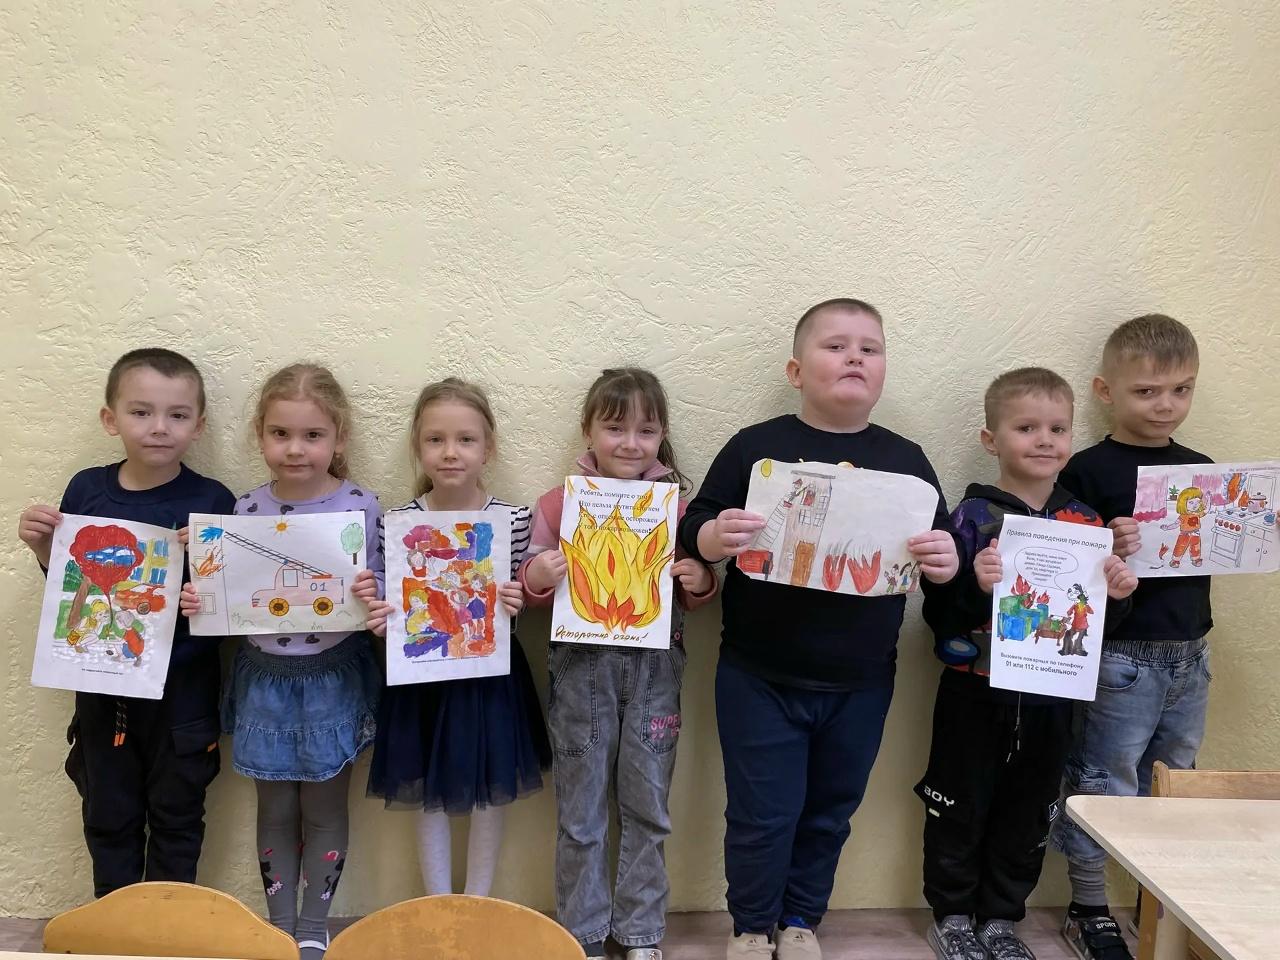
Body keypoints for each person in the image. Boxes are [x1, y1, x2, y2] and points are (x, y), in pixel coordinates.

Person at [678, 299, 960, 959]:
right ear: (796, 371)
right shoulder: (755, 447)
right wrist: (711, 536)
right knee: (761, 815)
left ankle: (801, 920)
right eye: (836, 345)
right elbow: (695, 522)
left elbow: (941, 560)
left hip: (862, 681)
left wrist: (948, 564)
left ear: (884, 369)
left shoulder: (907, 461)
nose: (855, 356)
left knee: (831, 812)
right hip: (758, 675)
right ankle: (752, 927)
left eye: (870, 348)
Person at [917, 367, 1136, 960]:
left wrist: (1118, 595)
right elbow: (936, 618)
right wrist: (972, 587)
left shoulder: (1087, 524)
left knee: (1030, 811)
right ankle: (953, 918)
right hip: (974, 692)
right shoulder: (969, 517)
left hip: (1052, 699)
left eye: (1058, 429)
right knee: (958, 805)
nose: (1044, 440)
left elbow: (1096, 628)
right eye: (1026, 428)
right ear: (991, 440)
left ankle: (1000, 920)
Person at [181, 363, 382, 960]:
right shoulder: (243, 510)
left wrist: (377, 595)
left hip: (333, 676)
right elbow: (224, 596)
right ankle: (279, 925)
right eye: (280, 434)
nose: (296, 449)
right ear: (260, 435)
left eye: (313, 435)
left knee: (324, 808)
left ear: (338, 438)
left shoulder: (362, 506)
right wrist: (199, 596)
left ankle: (314, 927)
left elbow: (385, 590)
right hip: (263, 680)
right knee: (273, 809)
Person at [18, 348, 234, 897]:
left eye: (177, 415)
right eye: (141, 412)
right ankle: (113, 928)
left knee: (178, 817)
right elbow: (73, 591)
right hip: (102, 693)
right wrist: (45, 550)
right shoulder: (86, 491)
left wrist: (205, 589)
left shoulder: (213, 500)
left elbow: (230, 607)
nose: (160, 427)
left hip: (183, 695)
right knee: (107, 816)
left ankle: (165, 927)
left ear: (198, 425)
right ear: (110, 419)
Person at [520, 367, 718, 960]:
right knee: (580, 813)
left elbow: (700, 589)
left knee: (648, 806)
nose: (631, 443)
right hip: (580, 671)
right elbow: (528, 585)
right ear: (588, 431)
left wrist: (699, 579)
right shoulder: (559, 504)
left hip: (656, 672)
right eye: (615, 428)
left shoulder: (676, 510)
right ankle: (581, 933)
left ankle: (640, 933)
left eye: (646, 431)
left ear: (662, 437)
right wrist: (539, 573)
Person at [1051, 315, 1212, 960]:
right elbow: (1062, 566)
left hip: (1190, 653)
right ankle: (1088, 909)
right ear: (1105, 391)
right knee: (1101, 782)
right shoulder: (1086, 471)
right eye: (1146, 391)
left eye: (1181, 389)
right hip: (1119, 656)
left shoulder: (1202, 472)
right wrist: (1105, 544)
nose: (1165, 404)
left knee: (1173, 783)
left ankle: (1158, 907)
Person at [365, 378, 551, 899]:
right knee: (429, 790)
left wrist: (520, 596)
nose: (450, 452)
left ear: (487, 448)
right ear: (417, 446)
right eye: (436, 439)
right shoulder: (398, 523)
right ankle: (438, 902)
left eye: (466, 440)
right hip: (421, 680)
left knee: (490, 790)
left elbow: (524, 588)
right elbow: (391, 595)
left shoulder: (513, 520)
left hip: (491, 676)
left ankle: (479, 902)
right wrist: (379, 612)